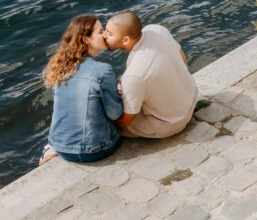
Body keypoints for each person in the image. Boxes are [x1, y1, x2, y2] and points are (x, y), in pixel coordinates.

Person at [40, 15, 123, 164]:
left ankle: (50, 149)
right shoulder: (103, 70)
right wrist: (118, 96)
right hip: (97, 149)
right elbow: (115, 114)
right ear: (86, 39)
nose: (105, 34)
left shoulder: (60, 68)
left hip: (61, 147)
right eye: (100, 31)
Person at [104, 12, 197, 138]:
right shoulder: (156, 30)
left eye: (109, 34)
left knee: (106, 116)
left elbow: (125, 121)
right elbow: (183, 58)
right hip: (191, 100)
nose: (104, 35)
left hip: (171, 123)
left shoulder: (133, 76)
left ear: (126, 40)